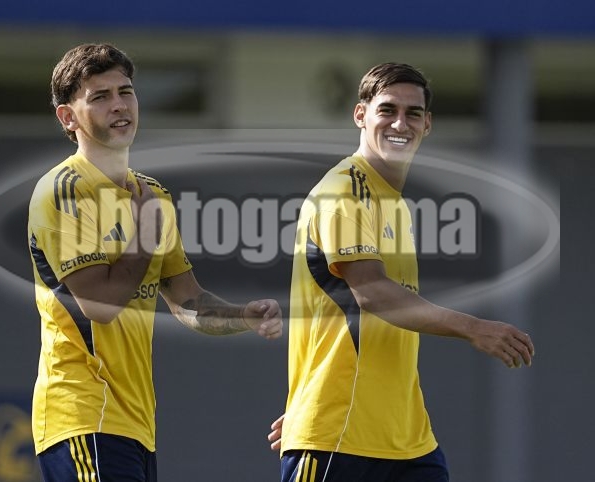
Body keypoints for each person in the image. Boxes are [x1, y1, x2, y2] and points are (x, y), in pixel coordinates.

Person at [267, 62, 535, 482]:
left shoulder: (392, 202)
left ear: (427, 124)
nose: (400, 123)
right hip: (341, 438)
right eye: (387, 110)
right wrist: (473, 328)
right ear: (360, 115)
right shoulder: (345, 190)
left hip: (408, 441)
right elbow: (372, 292)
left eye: (413, 113)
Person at [27, 43, 282, 482]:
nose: (119, 105)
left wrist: (244, 315)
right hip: (83, 416)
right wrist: (145, 231)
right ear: (68, 117)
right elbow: (101, 305)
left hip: (135, 426)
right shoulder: (65, 190)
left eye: (125, 92)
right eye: (100, 96)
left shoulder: (152, 195)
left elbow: (188, 302)